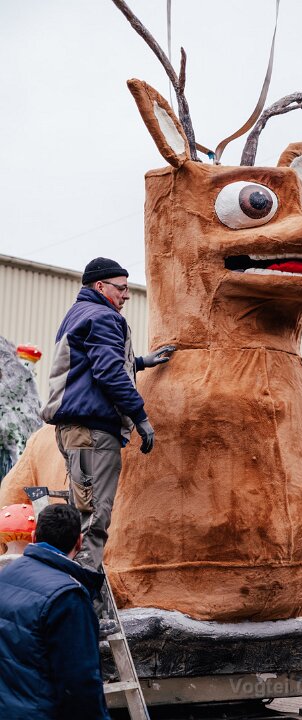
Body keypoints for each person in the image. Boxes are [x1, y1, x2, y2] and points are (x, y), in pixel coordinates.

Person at [42, 257, 174, 577]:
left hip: (75, 431)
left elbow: (89, 363)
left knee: (82, 513)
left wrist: (140, 362)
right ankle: (81, 594)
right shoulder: (104, 316)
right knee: (93, 519)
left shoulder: (80, 312)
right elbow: (109, 371)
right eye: (122, 288)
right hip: (93, 432)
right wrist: (140, 416)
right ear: (101, 286)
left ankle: (73, 587)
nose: (126, 295)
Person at [0, 503, 110, 720]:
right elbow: (81, 685)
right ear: (79, 541)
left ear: (33, 537)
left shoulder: (4, 577)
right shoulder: (68, 596)